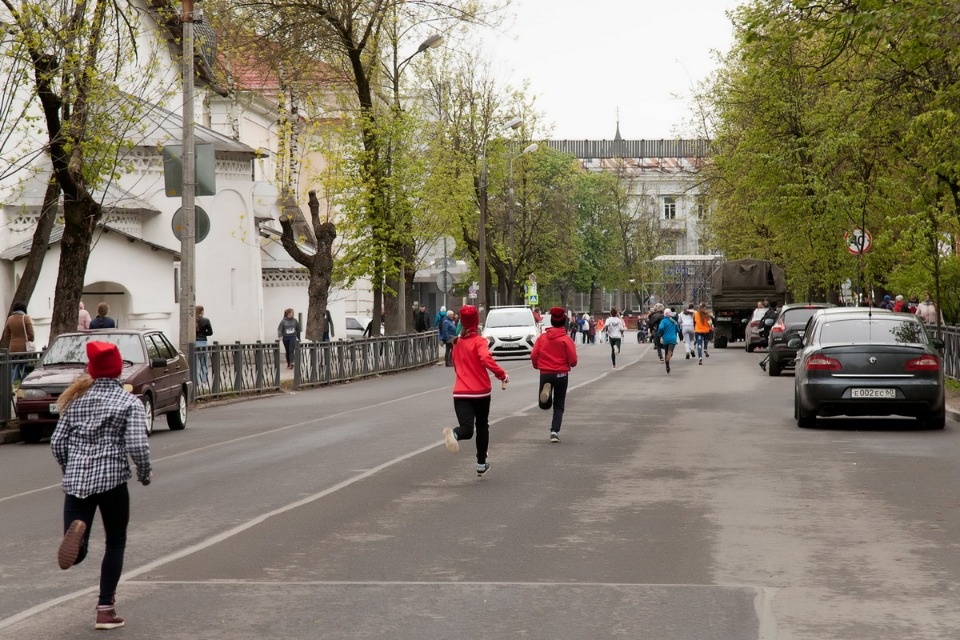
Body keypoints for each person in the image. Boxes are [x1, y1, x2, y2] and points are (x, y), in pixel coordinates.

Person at [50, 341, 152, 631]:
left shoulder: (74, 401)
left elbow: (58, 443)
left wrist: (69, 469)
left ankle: (78, 544)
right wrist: (144, 473)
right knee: (115, 541)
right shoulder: (129, 403)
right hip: (112, 482)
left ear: (91, 370)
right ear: (118, 370)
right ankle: (105, 610)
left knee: (77, 541)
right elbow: (137, 445)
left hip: (76, 482)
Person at [441, 305, 509, 476]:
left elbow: (456, 365)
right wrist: (502, 375)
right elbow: (486, 358)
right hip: (481, 392)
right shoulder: (480, 341)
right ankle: (481, 463)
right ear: (476, 323)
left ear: (461, 322)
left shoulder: (456, 343)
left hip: (461, 392)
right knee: (482, 426)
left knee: (467, 429)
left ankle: (455, 434)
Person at [531, 307, 578, 443]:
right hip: (561, 374)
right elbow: (573, 361)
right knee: (559, 404)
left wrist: (537, 365)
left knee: (544, 405)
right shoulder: (566, 340)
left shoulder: (542, 338)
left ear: (551, 321)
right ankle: (554, 431)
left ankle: (546, 397)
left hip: (545, 373)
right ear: (564, 323)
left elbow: (534, 355)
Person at [2, 301, 35, 384]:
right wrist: (30, 340)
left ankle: (11, 384)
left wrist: (12, 341)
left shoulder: (10, 319)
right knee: (24, 367)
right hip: (24, 348)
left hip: (12, 349)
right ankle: (23, 384)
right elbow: (31, 334)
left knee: (14, 366)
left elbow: (6, 335)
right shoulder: (25, 318)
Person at [657, 308, 682, 374]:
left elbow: (661, 328)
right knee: (670, 351)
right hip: (673, 339)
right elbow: (678, 330)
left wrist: (660, 333)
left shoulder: (663, 321)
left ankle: (667, 366)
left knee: (666, 352)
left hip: (665, 339)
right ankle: (669, 356)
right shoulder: (673, 321)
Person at [195, 305, 213, 384]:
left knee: (196, 363)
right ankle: (204, 380)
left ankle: (197, 382)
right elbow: (210, 332)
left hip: (194, 343)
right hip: (203, 342)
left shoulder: (192, 321)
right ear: (202, 311)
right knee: (204, 362)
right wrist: (203, 333)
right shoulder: (206, 320)